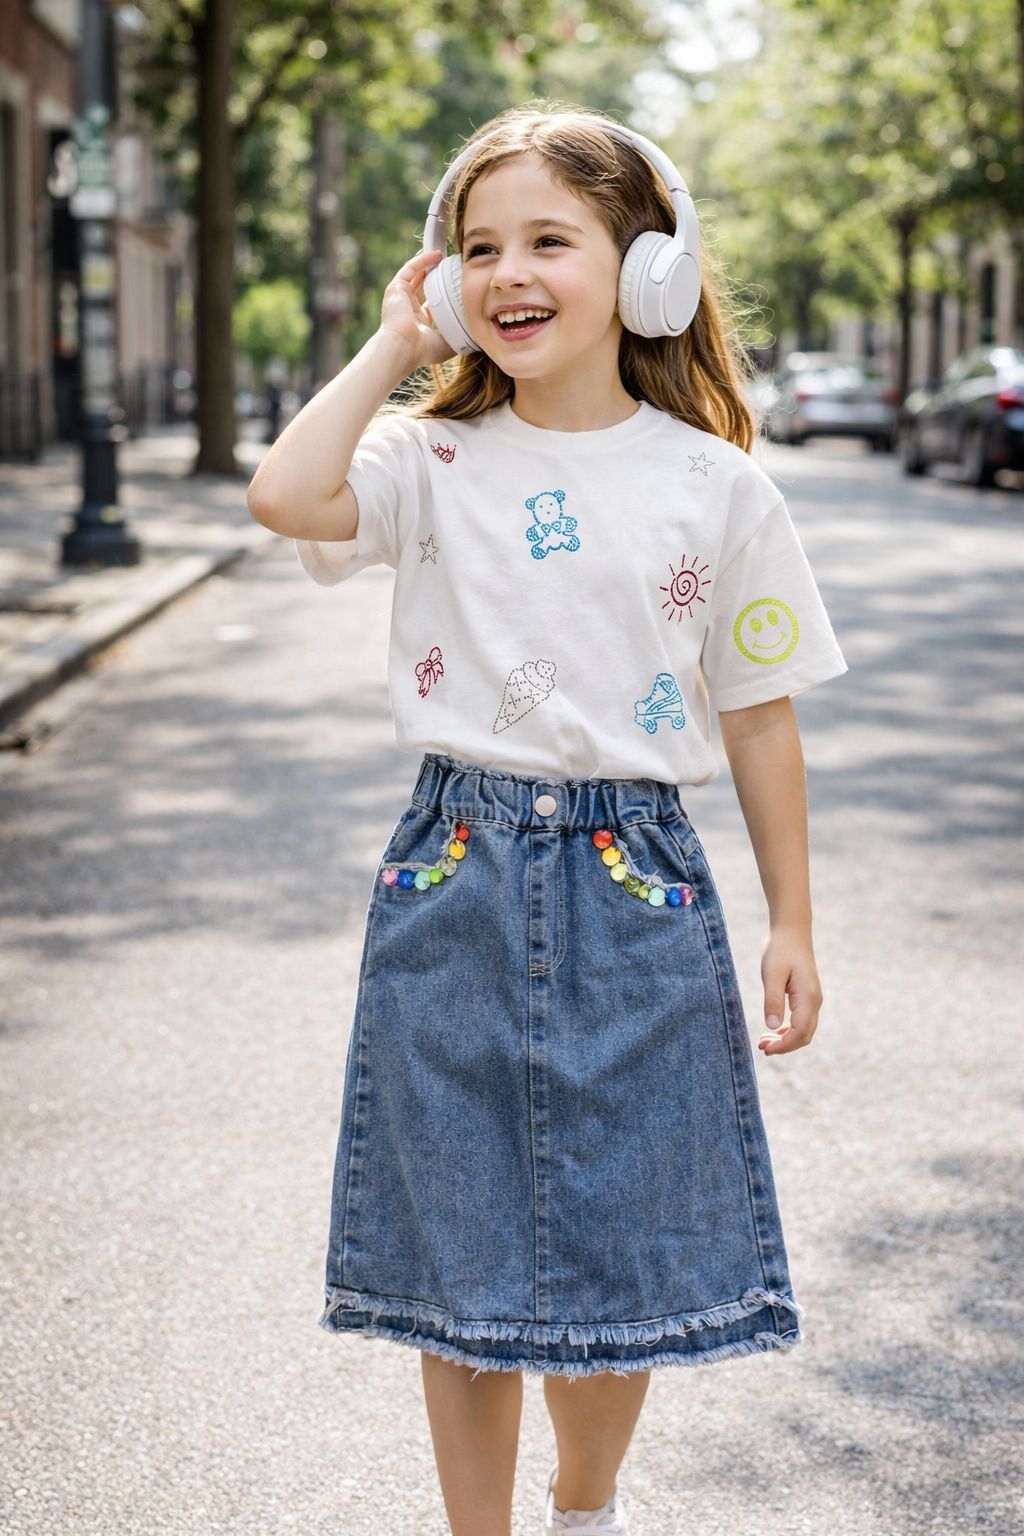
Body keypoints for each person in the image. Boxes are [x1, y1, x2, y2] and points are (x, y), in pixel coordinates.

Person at [247, 102, 848, 1536]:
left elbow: (761, 708)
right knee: (456, 1247)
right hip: (452, 865)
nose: (509, 274)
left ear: (647, 269)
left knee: (619, 1241)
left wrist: (795, 920)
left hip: (637, 876)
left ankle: (585, 1506)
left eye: (548, 242)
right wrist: (399, 341)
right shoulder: (425, 459)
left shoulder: (716, 483)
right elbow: (285, 493)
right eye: (478, 249)